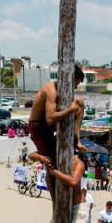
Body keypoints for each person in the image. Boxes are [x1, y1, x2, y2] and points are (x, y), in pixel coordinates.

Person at [27, 65, 86, 194]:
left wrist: (73, 109)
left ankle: (77, 140)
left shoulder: (63, 92)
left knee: (80, 104)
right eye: (75, 84)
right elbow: (50, 119)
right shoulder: (51, 90)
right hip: (39, 128)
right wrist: (70, 110)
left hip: (48, 126)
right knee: (50, 163)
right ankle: (55, 198)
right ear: (69, 80)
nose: (76, 88)